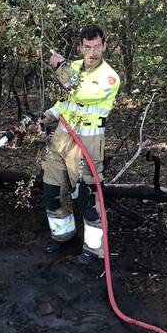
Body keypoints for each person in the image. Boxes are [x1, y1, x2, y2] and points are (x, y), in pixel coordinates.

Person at [40, 25, 121, 266]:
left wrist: (59, 67)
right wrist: (45, 116)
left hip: (88, 143)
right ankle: (63, 235)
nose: (93, 51)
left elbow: (83, 93)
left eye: (97, 46)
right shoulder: (73, 68)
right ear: (80, 47)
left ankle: (94, 250)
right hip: (61, 139)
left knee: (87, 198)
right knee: (52, 191)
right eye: (88, 47)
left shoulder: (109, 76)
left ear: (104, 45)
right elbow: (66, 103)